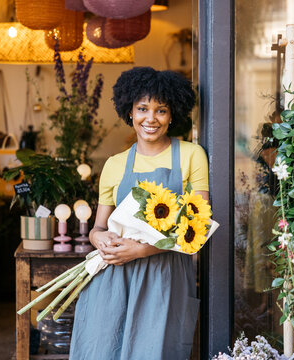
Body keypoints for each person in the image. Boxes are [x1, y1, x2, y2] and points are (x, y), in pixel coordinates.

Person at [69, 67, 209, 360]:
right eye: (143, 108)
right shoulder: (114, 164)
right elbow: (97, 228)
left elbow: (200, 226)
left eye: (161, 110)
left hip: (165, 278)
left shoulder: (191, 155)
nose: (151, 118)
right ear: (130, 112)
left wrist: (142, 250)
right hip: (114, 278)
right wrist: (100, 241)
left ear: (172, 115)